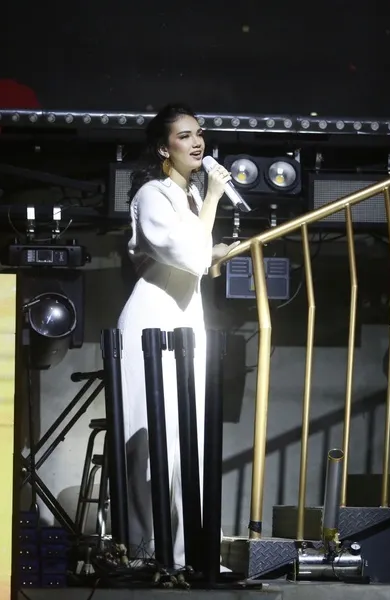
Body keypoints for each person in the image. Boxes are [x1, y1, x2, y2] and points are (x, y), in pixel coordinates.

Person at [117, 103, 233, 570]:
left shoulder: (188, 196)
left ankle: (191, 554)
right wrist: (214, 200)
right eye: (184, 136)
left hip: (186, 320)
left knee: (191, 440)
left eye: (199, 133)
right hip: (150, 319)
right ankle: (143, 550)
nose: (197, 142)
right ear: (164, 148)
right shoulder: (152, 195)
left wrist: (213, 244)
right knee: (147, 442)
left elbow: (195, 254)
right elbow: (186, 252)